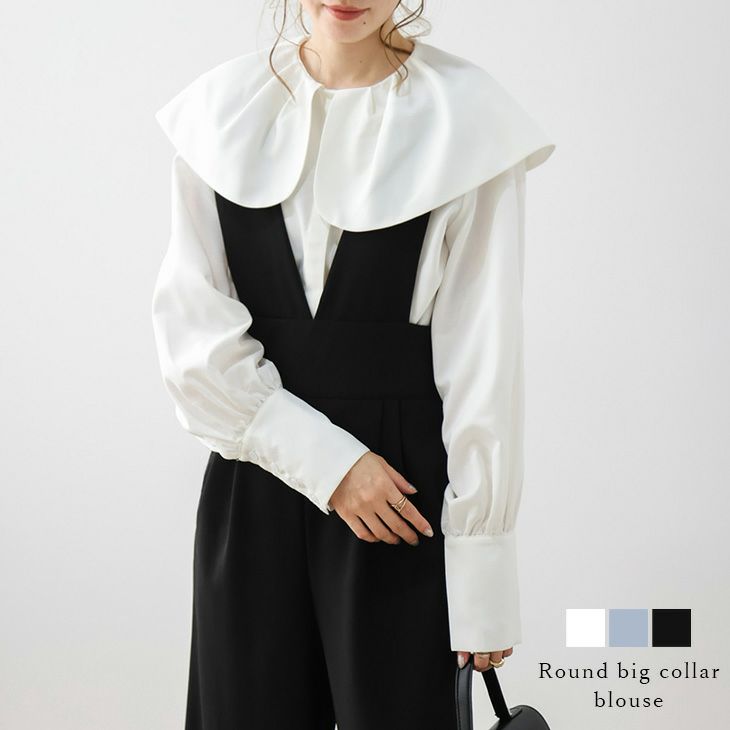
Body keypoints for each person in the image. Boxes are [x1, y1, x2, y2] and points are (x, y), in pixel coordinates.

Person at [151, 2, 555, 728]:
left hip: (404, 503)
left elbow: (484, 362)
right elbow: (194, 349)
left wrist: (482, 575)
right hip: (254, 488)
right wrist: (332, 466)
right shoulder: (220, 113)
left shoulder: (467, 122)